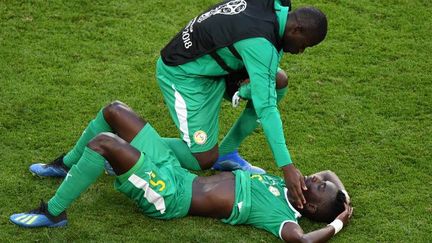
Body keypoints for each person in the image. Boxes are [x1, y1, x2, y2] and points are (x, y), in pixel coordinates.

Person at [10, 101, 352, 242]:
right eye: (320, 181)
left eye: (318, 188)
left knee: (104, 143)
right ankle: (67, 165)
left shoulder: (283, 214)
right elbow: (331, 171)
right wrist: (343, 197)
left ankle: (54, 213)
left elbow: (303, 241)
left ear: (309, 207)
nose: (317, 179)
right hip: (176, 172)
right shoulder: (291, 186)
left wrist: (337, 223)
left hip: (170, 195)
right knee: (114, 111)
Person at [155, 0, 328, 209]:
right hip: (186, 74)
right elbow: (267, 110)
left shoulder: (278, 6)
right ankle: (130, 143)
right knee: (201, 158)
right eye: (304, 45)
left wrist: (247, 88)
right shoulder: (260, 43)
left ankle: (227, 152)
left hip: (218, 64)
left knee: (277, 81)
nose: (301, 51)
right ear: (297, 29)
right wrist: (287, 167)